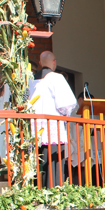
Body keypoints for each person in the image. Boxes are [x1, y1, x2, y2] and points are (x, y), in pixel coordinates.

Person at [29, 51, 77, 187]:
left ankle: (37, 191)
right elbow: (66, 104)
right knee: (53, 164)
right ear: (54, 62)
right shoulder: (56, 78)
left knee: (37, 164)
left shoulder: (31, 80)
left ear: (40, 63)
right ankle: (53, 192)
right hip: (52, 129)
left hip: (34, 131)